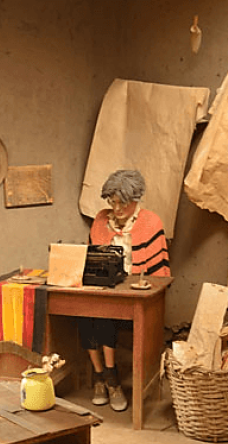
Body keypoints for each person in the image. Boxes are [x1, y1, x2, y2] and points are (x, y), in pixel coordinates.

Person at [80, 169, 171, 412]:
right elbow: (92, 261)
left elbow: (161, 276)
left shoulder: (151, 222)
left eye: (123, 203)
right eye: (112, 202)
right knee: (86, 314)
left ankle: (112, 378)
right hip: (107, 291)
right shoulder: (101, 220)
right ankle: (102, 378)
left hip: (137, 299)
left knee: (105, 316)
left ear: (136, 199)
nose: (117, 209)